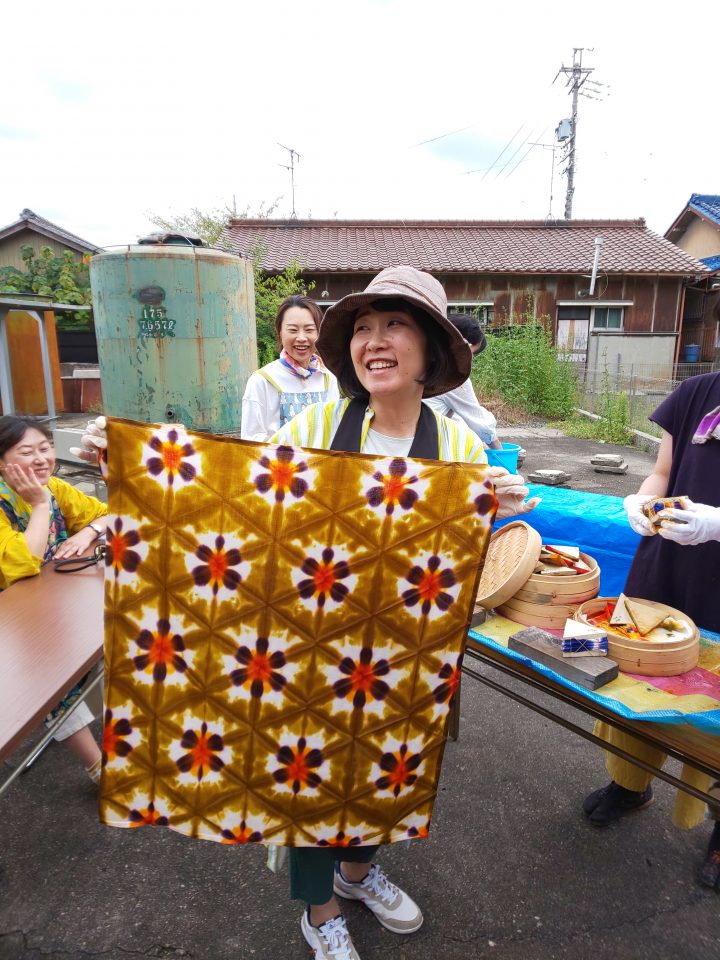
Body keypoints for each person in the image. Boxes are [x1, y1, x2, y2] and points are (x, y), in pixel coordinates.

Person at [271, 265, 539, 960]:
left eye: (394, 325)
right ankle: (319, 908)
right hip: (316, 641)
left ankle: (357, 873)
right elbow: (241, 505)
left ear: (430, 352)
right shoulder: (318, 424)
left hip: (408, 650)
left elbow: (471, 567)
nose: (374, 340)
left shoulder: (457, 448)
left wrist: (497, 515)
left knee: (392, 764)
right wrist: (134, 469)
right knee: (309, 775)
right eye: (362, 328)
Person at [581, 371, 720, 889]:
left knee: (714, 705)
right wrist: (642, 501)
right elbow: (662, 471)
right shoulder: (698, 392)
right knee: (636, 678)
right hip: (666, 563)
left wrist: (717, 523)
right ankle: (630, 782)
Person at [0, 415, 106, 782]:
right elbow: (23, 565)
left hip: (54, 601)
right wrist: (40, 506)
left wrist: (88, 533)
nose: (41, 458)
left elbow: (110, 513)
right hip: (12, 618)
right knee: (50, 670)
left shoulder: (58, 487)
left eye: (45, 448)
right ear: (2, 463)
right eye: (26, 452)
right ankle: (98, 769)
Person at [241, 295, 339, 441]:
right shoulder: (262, 380)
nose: (301, 337)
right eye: (293, 330)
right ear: (280, 333)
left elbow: (335, 432)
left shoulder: (327, 378)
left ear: (319, 333)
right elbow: (251, 440)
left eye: (309, 330)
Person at [424, 312, 502, 449]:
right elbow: (480, 423)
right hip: (425, 446)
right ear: (461, 343)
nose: (471, 360)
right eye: (471, 353)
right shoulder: (451, 372)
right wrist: (504, 459)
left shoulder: (423, 361)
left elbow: (456, 418)